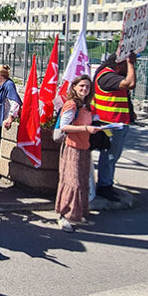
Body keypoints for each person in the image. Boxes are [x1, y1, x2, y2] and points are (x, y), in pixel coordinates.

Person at [55, 75, 101, 232]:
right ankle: (64, 215)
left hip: (84, 147)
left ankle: (77, 212)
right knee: (71, 182)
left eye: (87, 87)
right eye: (81, 86)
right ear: (74, 87)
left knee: (82, 181)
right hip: (72, 148)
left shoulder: (87, 106)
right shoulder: (71, 105)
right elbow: (64, 127)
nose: (84, 89)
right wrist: (85, 129)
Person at [91, 52, 136, 202]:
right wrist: (131, 64)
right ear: (119, 64)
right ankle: (104, 186)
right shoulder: (106, 76)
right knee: (109, 156)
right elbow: (130, 84)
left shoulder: (111, 75)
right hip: (110, 124)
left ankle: (108, 183)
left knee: (113, 156)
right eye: (126, 65)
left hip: (118, 123)